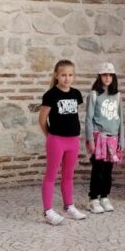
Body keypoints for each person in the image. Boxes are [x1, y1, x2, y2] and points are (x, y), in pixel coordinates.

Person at [39, 59, 87, 225]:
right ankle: (48, 211)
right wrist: (50, 136)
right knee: (51, 175)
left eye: (70, 75)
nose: (67, 78)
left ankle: (69, 206)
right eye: (63, 75)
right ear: (56, 76)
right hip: (56, 140)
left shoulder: (76, 94)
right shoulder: (50, 95)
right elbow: (42, 119)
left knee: (68, 175)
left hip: (73, 140)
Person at [84, 62, 123, 214]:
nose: (107, 78)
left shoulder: (117, 96)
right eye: (104, 75)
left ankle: (104, 196)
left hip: (113, 138)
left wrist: (121, 140)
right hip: (98, 137)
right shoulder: (94, 95)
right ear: (99, 77)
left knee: (108, 169)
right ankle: (93, 198)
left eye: (110, 75)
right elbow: (89, 118)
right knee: (98, 168)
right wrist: (90, 139)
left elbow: (120, 119)